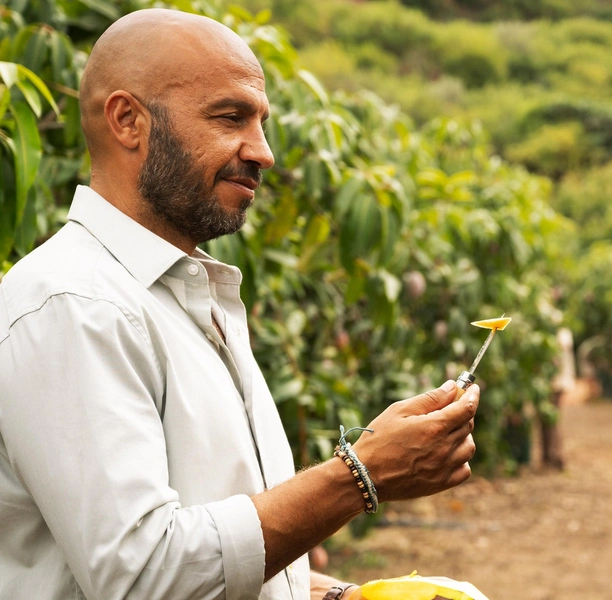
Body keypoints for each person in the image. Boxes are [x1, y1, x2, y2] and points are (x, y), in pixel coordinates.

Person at [0, 9, 479, 600]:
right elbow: (143, 576)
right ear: (128, 121)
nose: (264, 152)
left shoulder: (190, 295)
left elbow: (213, 553)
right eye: (230, 117)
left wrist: (336, 594)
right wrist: (361, 475)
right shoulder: (74, 303)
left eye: (262, 122)